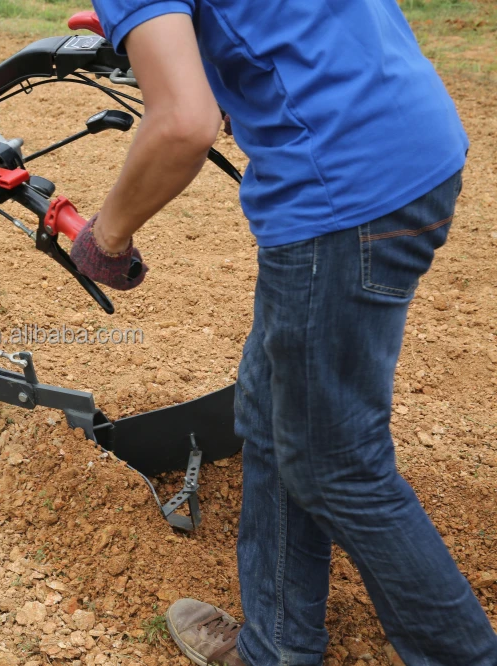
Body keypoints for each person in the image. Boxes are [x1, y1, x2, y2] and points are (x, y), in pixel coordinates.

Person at [67, 1, 497, 664]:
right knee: (269, 417)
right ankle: (276, 646)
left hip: (341, 200)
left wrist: (109, 235)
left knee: (336, 466)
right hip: (412, 144)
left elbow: (184, 123)